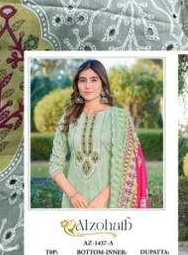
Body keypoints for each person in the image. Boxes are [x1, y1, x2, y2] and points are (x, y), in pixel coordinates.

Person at [48, 60, 148, 210]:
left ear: (103, 83)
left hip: (109, 203)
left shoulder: (119, 118)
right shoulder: (68, 118)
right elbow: (55, 165)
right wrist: (73, 195)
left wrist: (102, 198)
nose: (88, 86)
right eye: (83, 80)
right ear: (77, 85)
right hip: (74, 204)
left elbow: (129, 166)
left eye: (94, 80)